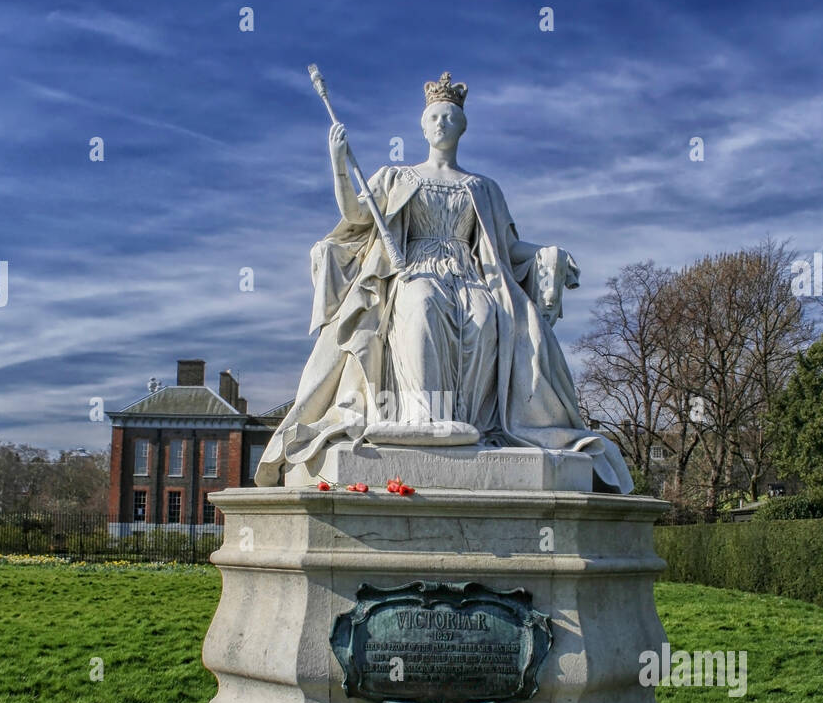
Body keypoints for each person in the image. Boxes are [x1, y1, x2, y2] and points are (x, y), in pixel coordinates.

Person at [255, 72, 632, 493]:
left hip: (471, 274)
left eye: (449, 117)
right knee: (422, 304)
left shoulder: (483, 187)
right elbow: (357, 217)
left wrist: (549, 254)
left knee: (486, 313)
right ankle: (423, 416)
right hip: (411, 270)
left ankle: (471, 422)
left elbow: (506, 249)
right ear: (422, 125)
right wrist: (338, 163)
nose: (440, 124)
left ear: (461, 126)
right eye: (434, 116)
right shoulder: (397, 177)